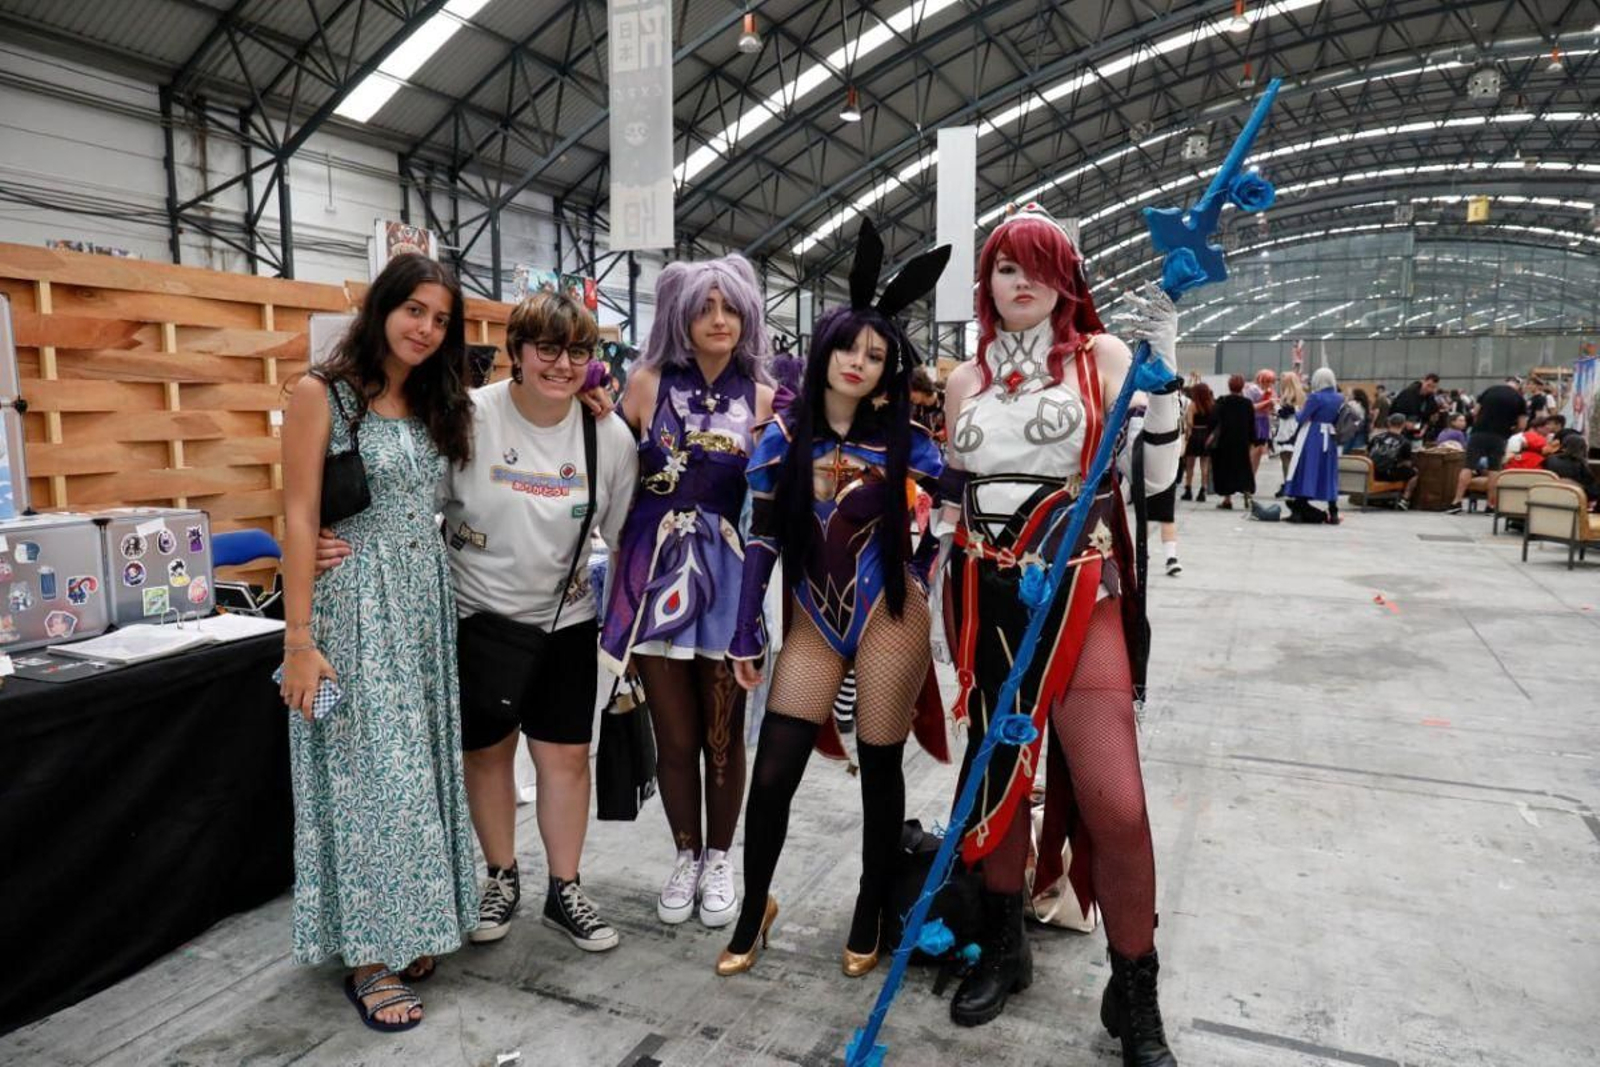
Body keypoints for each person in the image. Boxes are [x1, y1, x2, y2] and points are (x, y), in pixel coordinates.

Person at [937, 205, 1184, 1062]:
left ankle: (1135, 987)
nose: (1023, 280)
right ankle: (1006, 948)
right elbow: (953, 493)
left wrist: (1165, 380)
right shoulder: (963, 380)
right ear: (988, 281)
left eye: (1041, 265)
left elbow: (1155, 477)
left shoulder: (1104, 359)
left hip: (1084, 593)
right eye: (1007, 266)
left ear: (1068, 278)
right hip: (986, 600)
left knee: (1117, 799)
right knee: (998, 778)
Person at [715, 222, 950, 978]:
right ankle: (755, 907)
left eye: (876, 354)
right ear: (824, 351)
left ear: (889, 369)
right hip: (814, 617)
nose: (859, 361)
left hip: (892, 614)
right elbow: (761, 538)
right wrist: (745, 625)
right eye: (849, 347)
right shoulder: (784, 434)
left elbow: (959, 494)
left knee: (880, 766)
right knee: (776, 765)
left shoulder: (905, 438)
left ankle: (870, 906)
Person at [278, 253, 479, 1033]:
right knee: (369, 777)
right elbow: (298, 515)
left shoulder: (432, 397)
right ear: (383, 308)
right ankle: (367, 952)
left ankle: (408, 921)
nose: (427, 329)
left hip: (421, 601)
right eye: (415, 311)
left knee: (417, 768)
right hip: (353, 602)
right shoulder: (318, 393)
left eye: (440, 318)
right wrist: (299, 639)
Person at [600, 255, 778, 929]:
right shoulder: (644, 384)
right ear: (680, 314)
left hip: (731, 584)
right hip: (653, 581)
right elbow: (610, 479)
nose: (719, 320)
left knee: (723, 734)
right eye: (705, 308)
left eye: (730, 307)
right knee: (674, 736)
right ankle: (686, 852)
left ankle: (723, 856)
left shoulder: (763, 396)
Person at [1448, 377, 1528, 513]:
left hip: (1478, 433)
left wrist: (1479, 423)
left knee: (1468, 466)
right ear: (1519, 387)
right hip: (1499, 437)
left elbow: (1475, 412)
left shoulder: (1490, 390)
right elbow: (1522, 426)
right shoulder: (1520, 400)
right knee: (1494, 469)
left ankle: (1457, 502)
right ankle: (1490, 505)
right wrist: (1509, 431)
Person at [1283, 368, 1344, 524]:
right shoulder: (1339, 398)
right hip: (1329, 437)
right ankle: (1333, 512)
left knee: (1305, 469)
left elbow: (1302, 418)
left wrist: (1295, 411)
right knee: (1328, 472)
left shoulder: (1315, 397)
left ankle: (1298, 508)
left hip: (1312, 435)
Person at [1210, 374, 1257, 509]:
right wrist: (1252, 440)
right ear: (1242, 386)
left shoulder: (1222, 401)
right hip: (1242, 441)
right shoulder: (1247, 403)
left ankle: (1227, 499)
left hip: (1225, 441)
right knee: (1243, 466)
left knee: (1225, 468)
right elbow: (1251, 423)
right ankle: (1246, 491)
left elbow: (1213, 420)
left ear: (1229, 386)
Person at [1367, 413, 1419, 507]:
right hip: (1388, 474)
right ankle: (1405, 500)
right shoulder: (1405, 442)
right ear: (1403, 425)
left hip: (1372, 472)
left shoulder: (1376, 438)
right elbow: (1407, 463)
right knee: (1413, 472)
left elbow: (1369, 453)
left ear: (1389, 423)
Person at [1272, 371, 1306, 495]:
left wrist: (1276, 406)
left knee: (1286, 458)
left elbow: (1285, 413)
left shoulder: (1290, 396)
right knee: (1290, 458)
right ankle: (1290, 484)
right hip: (1293, 428)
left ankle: (1289, 484)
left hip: (1288, 429)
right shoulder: (1300, 396)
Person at [1180, 381, 1214, 502]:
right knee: (1204, 466)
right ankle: (1202, 491)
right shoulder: (1211, 405)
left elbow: (1190, 423)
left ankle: (1188, 490)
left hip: (1195, 435)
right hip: (1206, 436)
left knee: (1190, 466)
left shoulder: (1193, 406)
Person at [1545, 435, 1599, 506]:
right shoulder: (1580, 465)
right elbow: (1593, 493)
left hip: (1550, 500)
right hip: (1573, 503)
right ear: (1583, 448)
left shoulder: (1549, 460)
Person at [1244, 369, 1275, 476]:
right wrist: (1267, 402)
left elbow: (1269, 409)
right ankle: (1248, 476)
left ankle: (1252, 476)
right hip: (1254, 421)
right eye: (1267, 380)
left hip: (1264, 420)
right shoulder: (1252, 389)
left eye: (1271, 381)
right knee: (1253, 450)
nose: (1269, 383)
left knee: (1259, 450)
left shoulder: (1268, 390)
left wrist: (1272, 405)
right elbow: (1250, 407)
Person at [910, 364, 946, 441]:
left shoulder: (946, 399)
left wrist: (946, 432)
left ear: (920, 386)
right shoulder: (913, 407)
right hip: (922, 449)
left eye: (910, 390)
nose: (908, 395)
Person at [1339, 387, 1370, 453]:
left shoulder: (1352, 404)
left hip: (1351, 429)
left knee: (1346, 450)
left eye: (1351, 394)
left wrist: (1346, 398)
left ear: (1355, 396)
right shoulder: (1363, 405)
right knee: (1357, 450)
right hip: (1360, 429)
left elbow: (1342, 408)